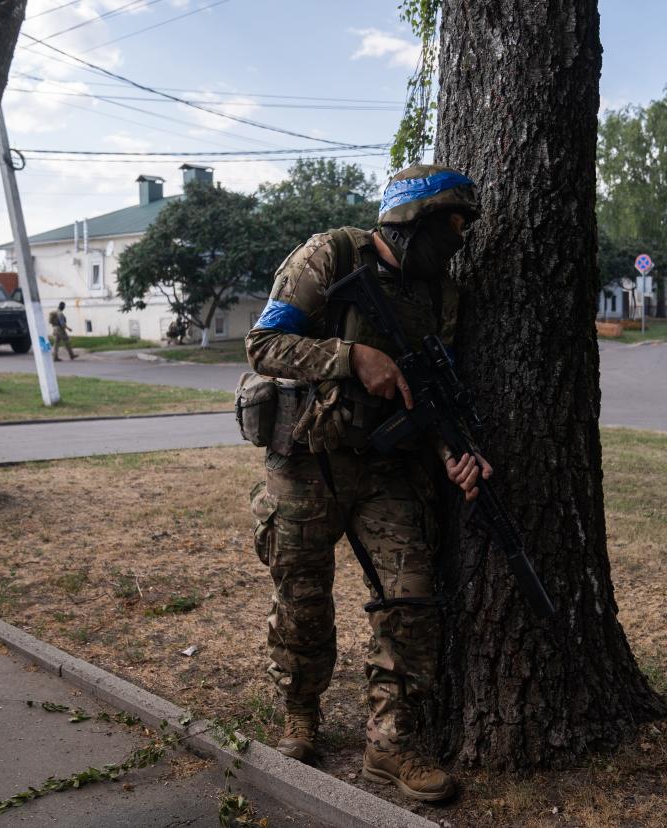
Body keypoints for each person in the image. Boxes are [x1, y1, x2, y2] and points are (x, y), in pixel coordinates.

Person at [244, 164, 490, 803]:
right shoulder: (332, 254)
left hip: (387, 468)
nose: (457, 240)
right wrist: (352, 358)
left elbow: (431, 395)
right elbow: (264, 344)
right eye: (450, 226)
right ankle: (301, 714)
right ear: (411, 221)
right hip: (307, 458)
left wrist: (455, 453)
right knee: (302, 599)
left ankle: (390, 746)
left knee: (411, 599)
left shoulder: (442, 297)